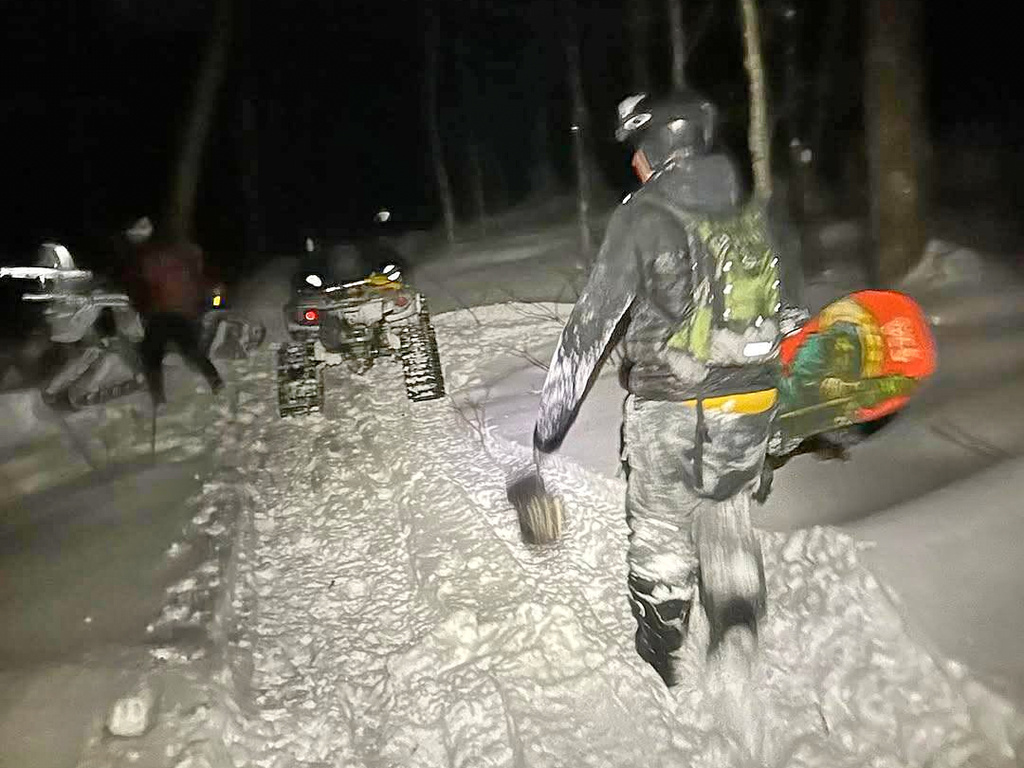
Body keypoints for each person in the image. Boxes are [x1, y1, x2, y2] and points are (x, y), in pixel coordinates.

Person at [531, 91, 801, 686]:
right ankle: (737, 620)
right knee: (727, 505)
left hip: (672, 402)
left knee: (660, 526)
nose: (634, 162)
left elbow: (592, 325)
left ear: (659, 148)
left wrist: (551, 423)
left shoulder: (643, 217)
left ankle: (665, 649)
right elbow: (791, 311)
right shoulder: (755, 209)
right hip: (752, 400)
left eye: (639, 149)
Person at [124, 218, 223, 405]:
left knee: (152, 353)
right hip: (178, 312)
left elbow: (147, 286)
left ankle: (158, 397)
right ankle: (215, 382)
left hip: (166, 313)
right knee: (188, 349)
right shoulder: (173, 258)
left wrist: (142, 305)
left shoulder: (152, 258)